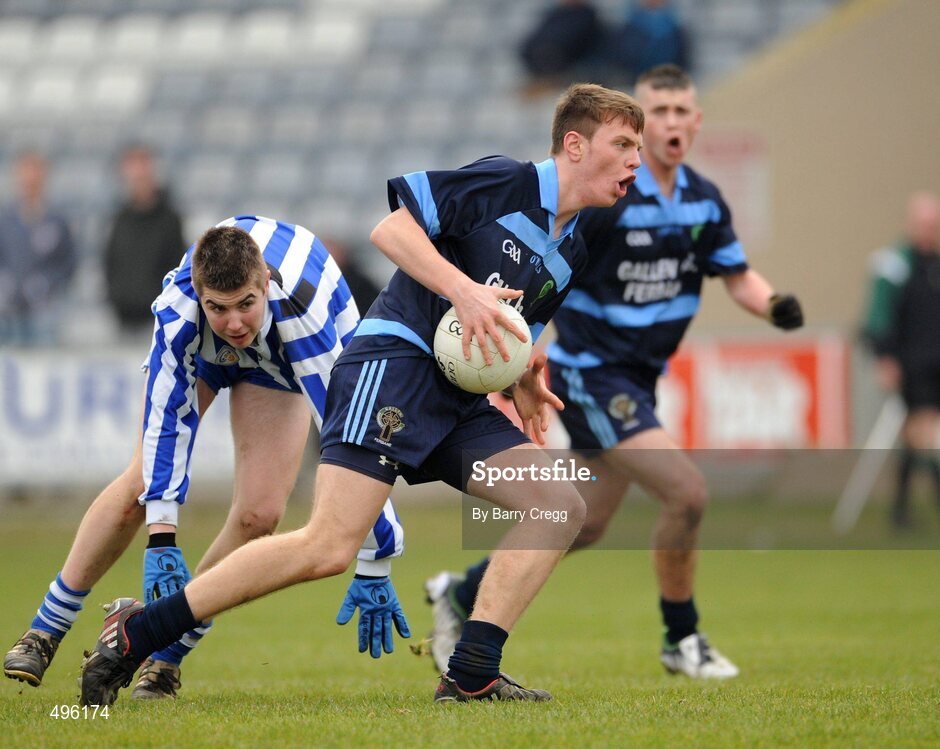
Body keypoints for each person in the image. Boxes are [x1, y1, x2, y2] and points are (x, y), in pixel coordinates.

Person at [76, 83, 644, 706]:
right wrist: (464, 290)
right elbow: (392, 231)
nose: (634, 161)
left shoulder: (574, 248)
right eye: (622, 145)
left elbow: (507, 331)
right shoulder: (504, 183)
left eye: (636, 150)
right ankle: (139, 633)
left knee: (559, 506)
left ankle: (473, 672)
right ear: (574, 145)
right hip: (393, 368)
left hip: (456, 401)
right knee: (328, 548)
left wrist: (522, 376)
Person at [426, 65, 803, 680]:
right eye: (660, 112)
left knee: (588, 521)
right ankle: (682, 639)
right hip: (594, 373)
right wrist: (519, 361)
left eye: (684, 110)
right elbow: (545, 278)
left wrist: (771, 304)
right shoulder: (608, 202)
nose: (672, 122)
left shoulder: (704, 199)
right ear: (638, 124)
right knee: (687, 492)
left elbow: (735, 272)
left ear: (697, 121)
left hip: (639, 377)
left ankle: (461, 591)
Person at [5, 216, 406, 699]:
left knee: (260, 516)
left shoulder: (306, 317)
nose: (234, 322)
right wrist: (161, 539)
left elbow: (352, 439)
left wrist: (376, 554)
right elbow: (165, 425)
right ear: (198, 293)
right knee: (141, 482)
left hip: (280, 360)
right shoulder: (179, 309)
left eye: (245, 305)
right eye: (218, 307)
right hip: (205, 352)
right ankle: (46, 629)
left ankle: (163, 656)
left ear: (266, 286)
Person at [862, 192, 940, 529]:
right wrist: (884, 356)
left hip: (938, 364)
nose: (932, 232)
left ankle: (901, 511)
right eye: (926, 225)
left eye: (936, 226)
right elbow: (878, 314)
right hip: (910, 363)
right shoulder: (896, 264)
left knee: (918, 435)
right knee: (925, 431)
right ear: (913, 225)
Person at [102, 144, 186, 336]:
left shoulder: (170, 220)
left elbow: (177, 265)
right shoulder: (119, 219)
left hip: (158, 318)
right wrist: (116, 298)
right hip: (123, 318)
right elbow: (110, 263)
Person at [0, 150, 76, 346]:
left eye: (36, 172)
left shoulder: (57, 220)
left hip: (44, 309)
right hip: (7, 311)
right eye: (26, 173)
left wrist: (48, 282)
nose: (30, 180)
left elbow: (68, 263)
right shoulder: (5, 220)